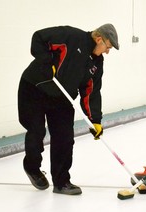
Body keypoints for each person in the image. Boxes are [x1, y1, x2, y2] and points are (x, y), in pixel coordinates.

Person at [18, 24, 119, 195]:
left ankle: (61, 181)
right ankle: (32, 167)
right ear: (99, 39)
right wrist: (46, 61)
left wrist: (95, 120)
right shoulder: (70, 36)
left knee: (65, 137)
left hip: (62, 96)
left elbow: (91, 91)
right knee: (36, 131)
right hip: (35, 87)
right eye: (107, 47)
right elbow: (38, 37)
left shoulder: (96, 62)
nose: (107, 52)